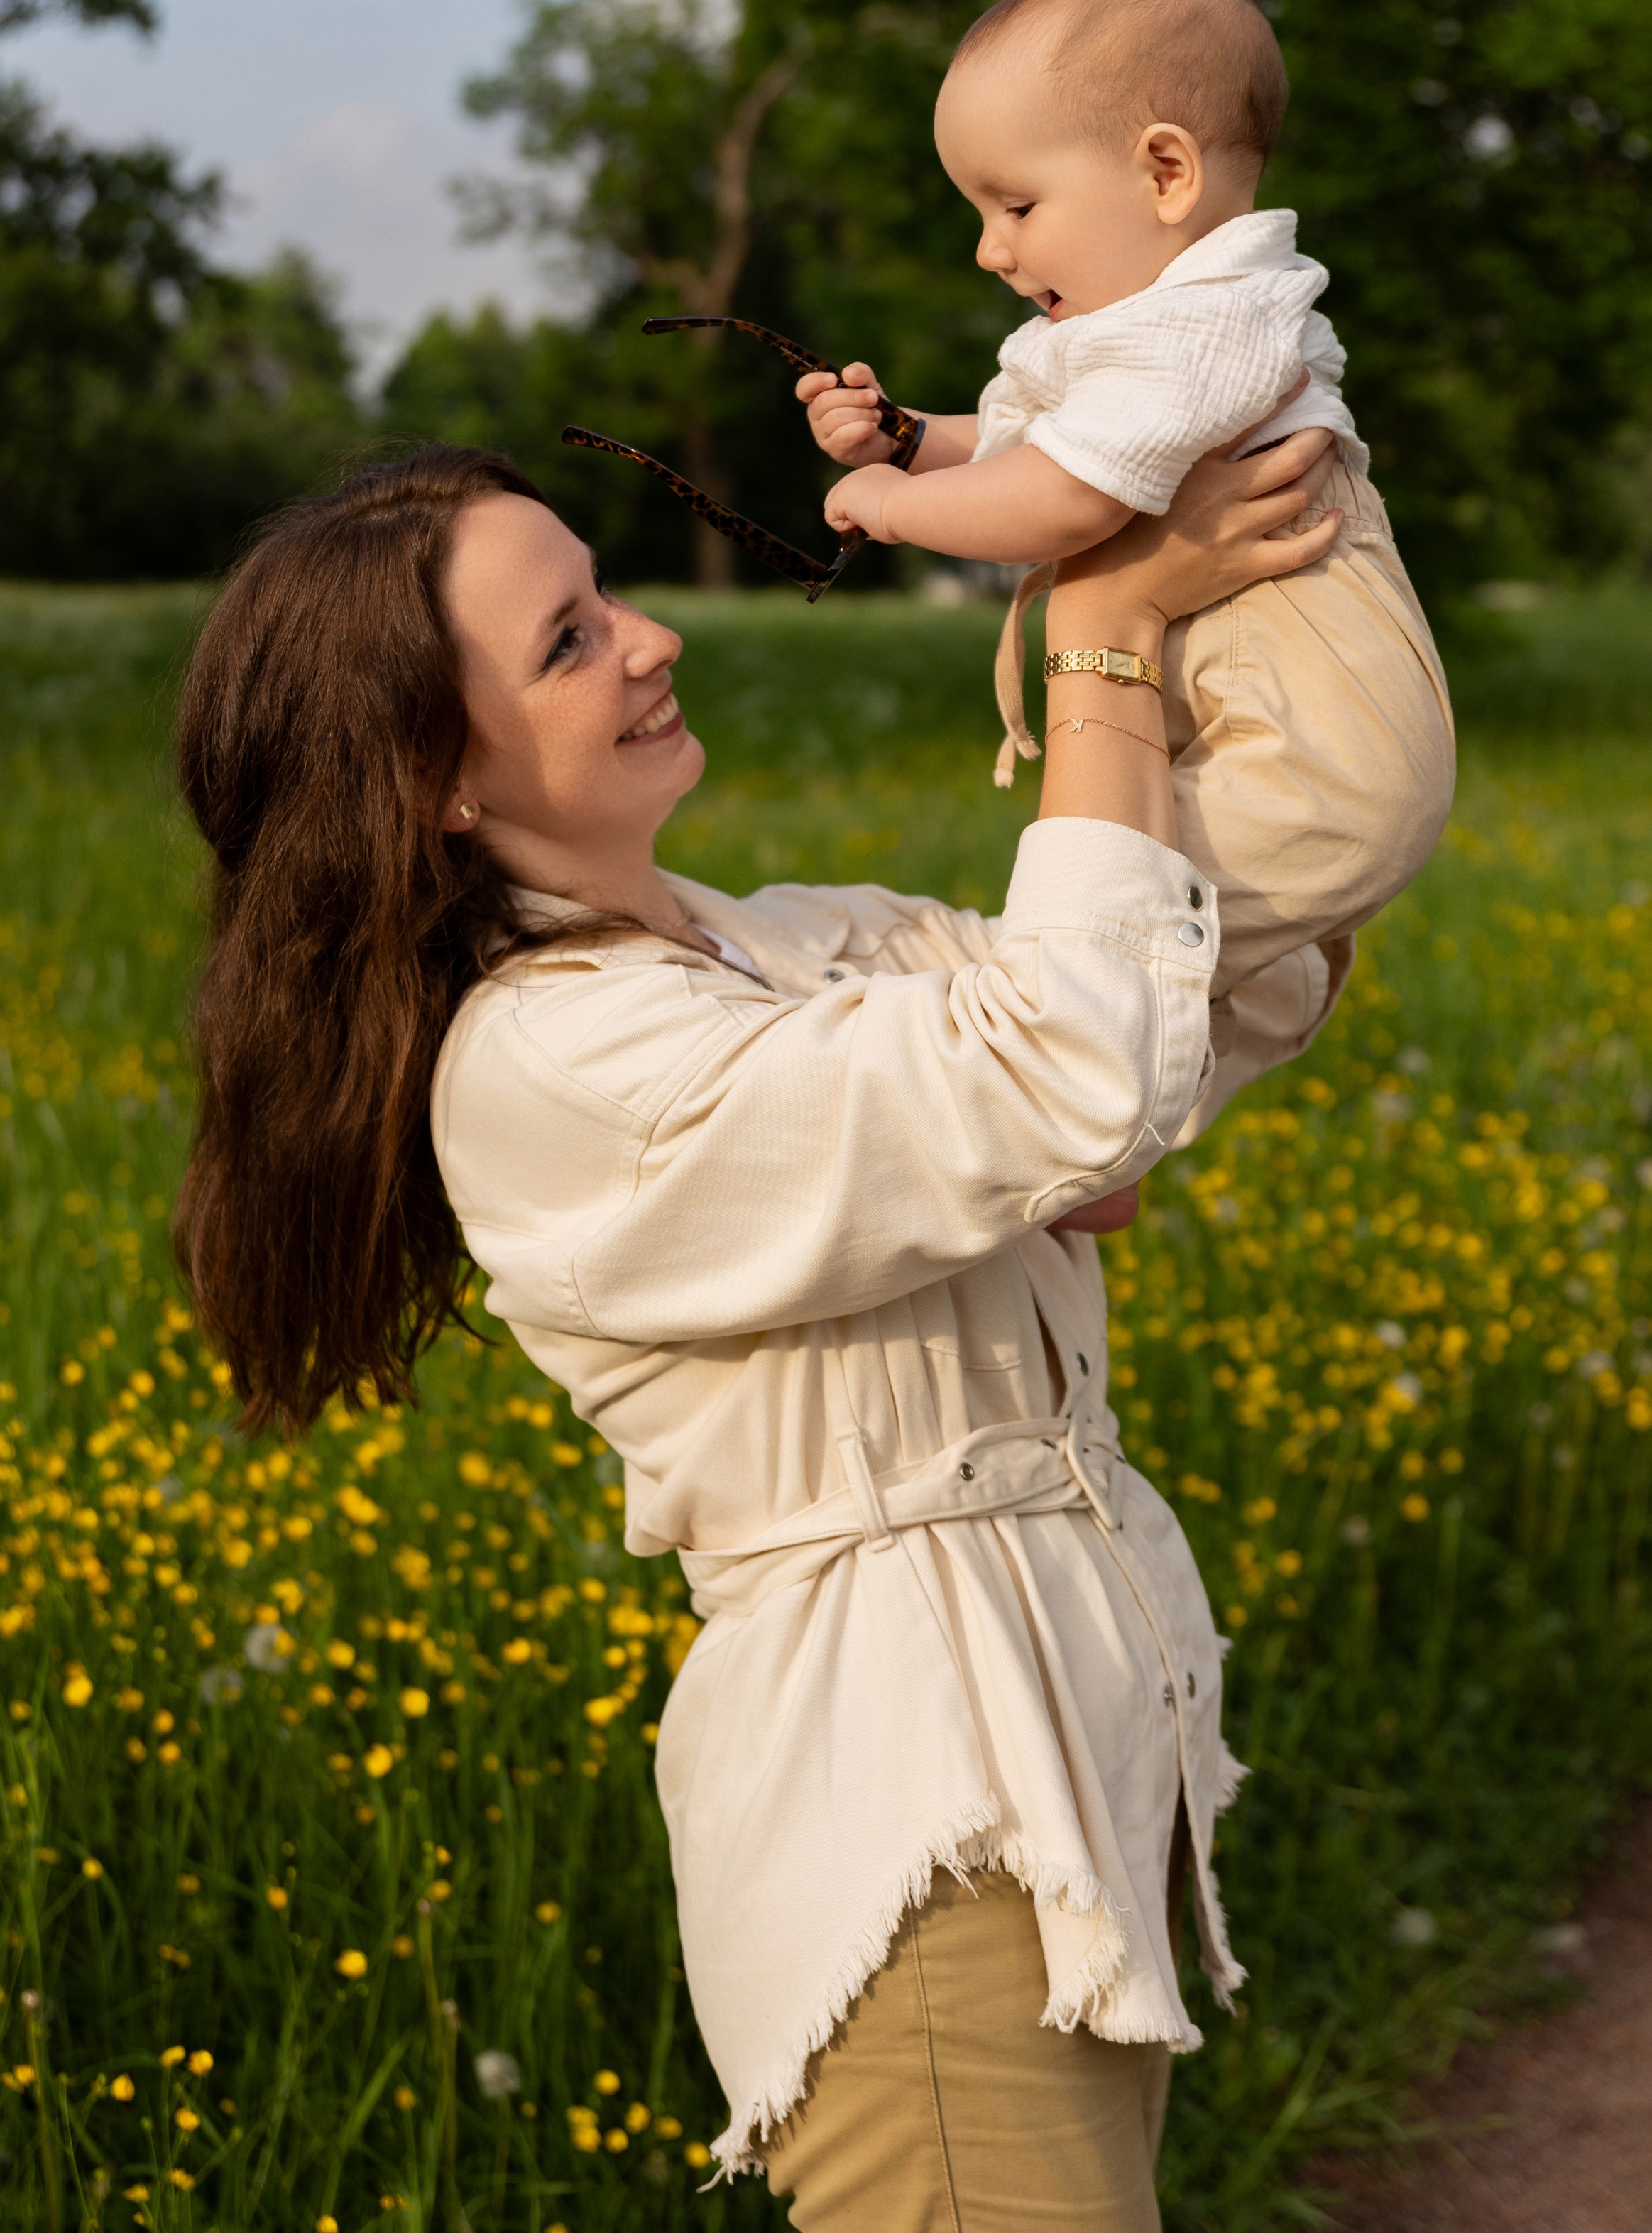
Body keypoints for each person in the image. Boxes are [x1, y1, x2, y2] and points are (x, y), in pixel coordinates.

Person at [173, 422, 1348, 2232]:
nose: (647, 638)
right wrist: (1102, 631)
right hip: (919, 1839)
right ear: (434, 782)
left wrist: (1249, 610)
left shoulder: (778, 947)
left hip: (1050, 1790)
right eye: (566, 638)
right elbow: (1078, 1067)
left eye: (604, 596)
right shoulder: (557, 1063)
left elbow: (1164, 1034)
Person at [799, 0, 1455, 1014]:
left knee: (1103, 965)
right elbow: (1043, 451)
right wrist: (913, 438)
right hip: (1273, 716)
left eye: (1014, 207)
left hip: (1312, 749)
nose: (989, 250)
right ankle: (1095, 1090)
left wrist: (899, 506)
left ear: (1165, 172)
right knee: (1127, 953)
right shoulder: (1162, 325)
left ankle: (1060, 1087)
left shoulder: (1199, 327)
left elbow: (1065, 496)